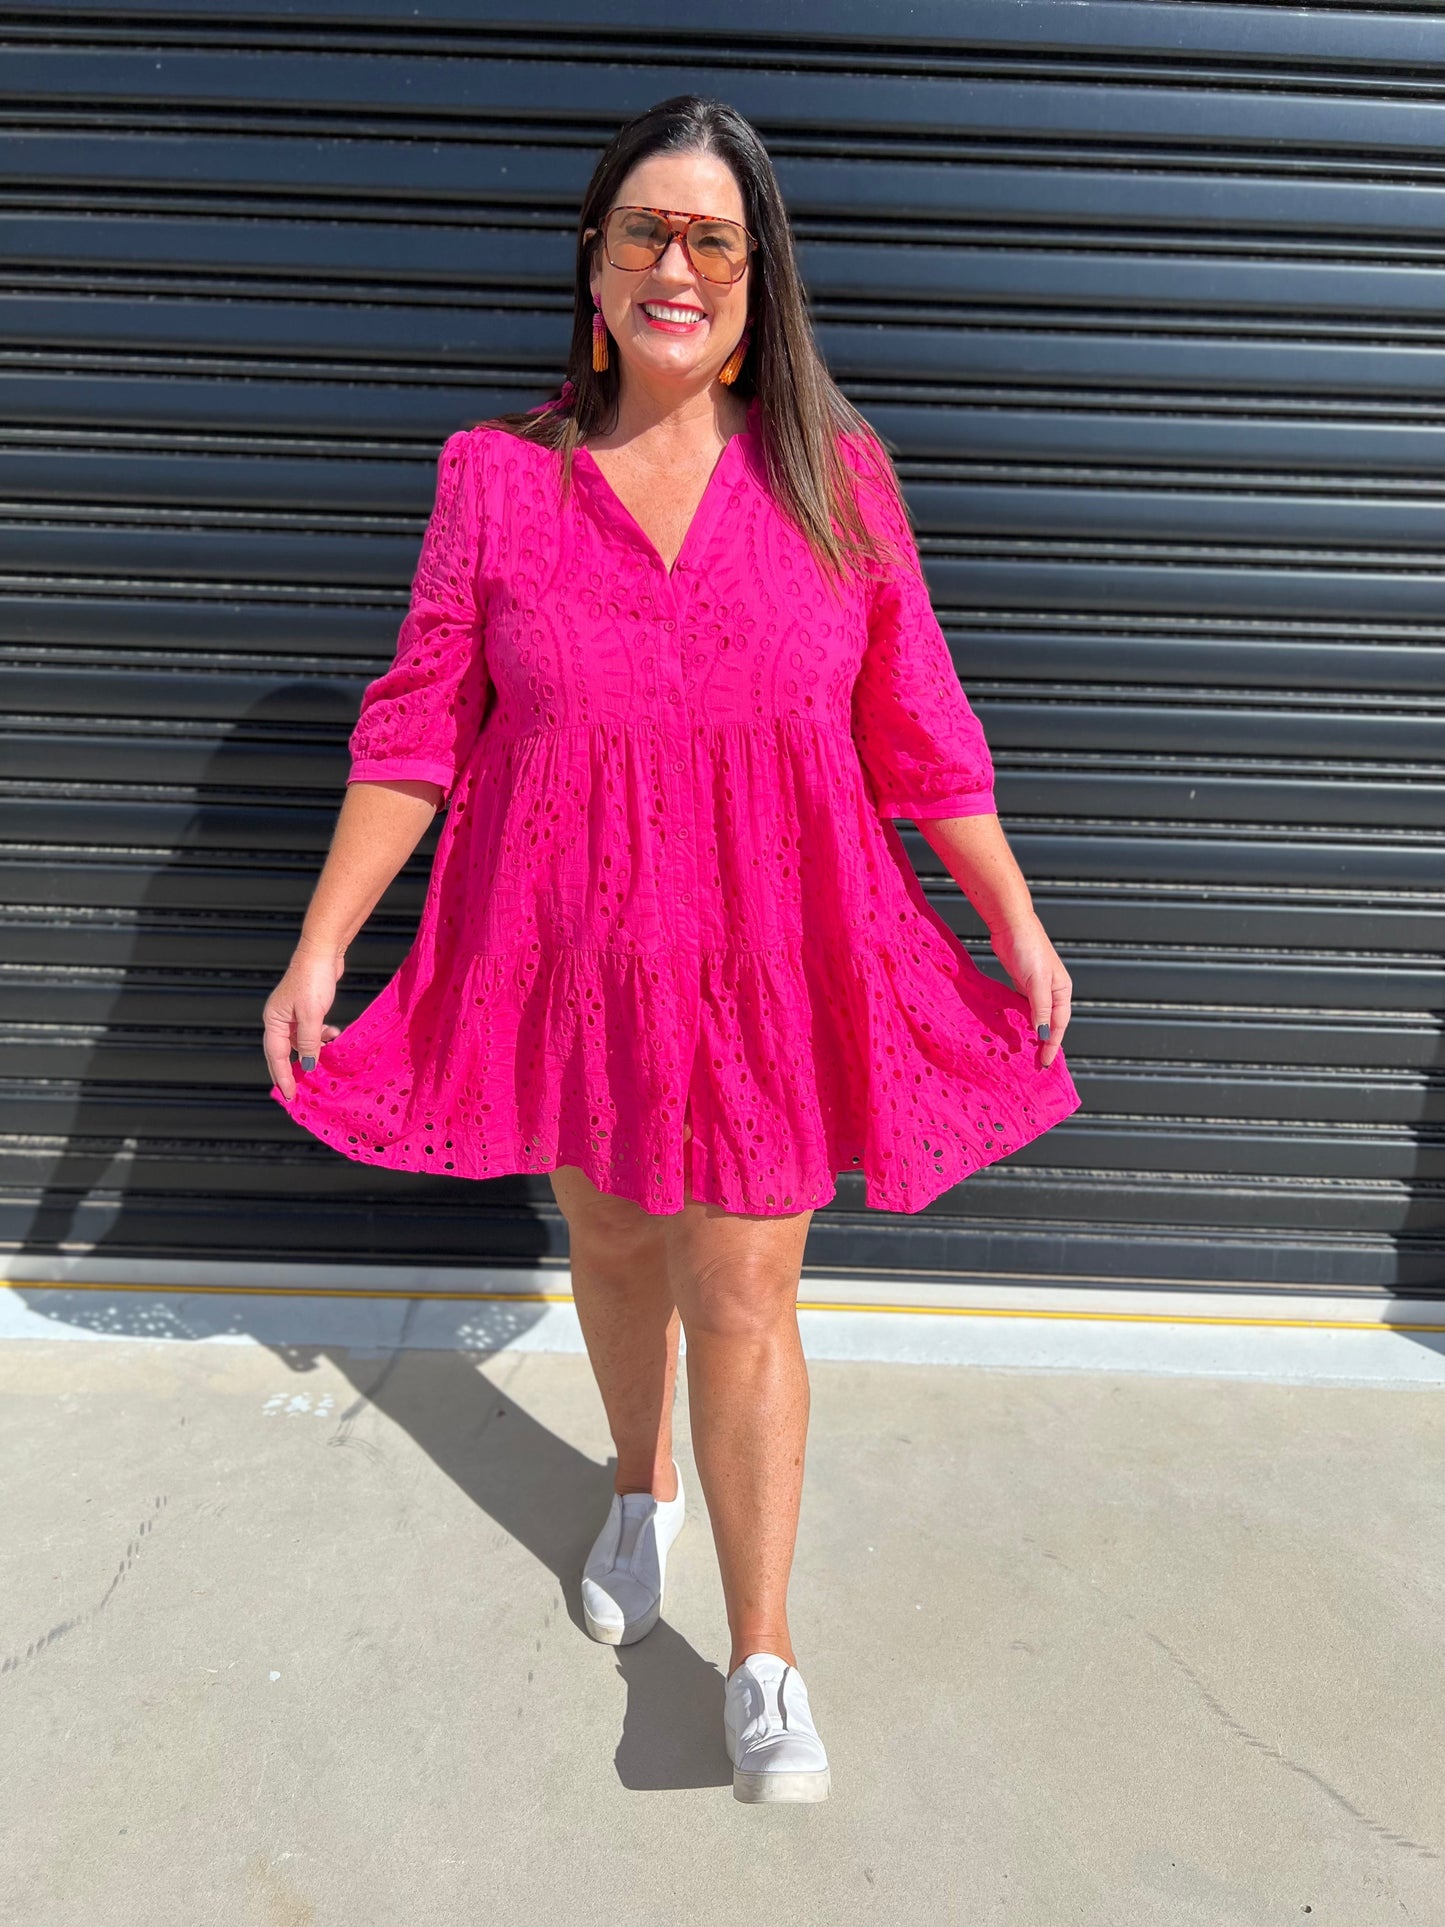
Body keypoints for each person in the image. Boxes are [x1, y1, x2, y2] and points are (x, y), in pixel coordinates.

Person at [262, 94, 1081, 1805]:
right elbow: (415, 730)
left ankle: (762, 1655)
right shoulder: (497, 479)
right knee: (618, 1243)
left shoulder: (834, 478)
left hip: (774, 953)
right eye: (646, 229)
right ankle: (639, 1488)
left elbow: (917, 723)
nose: (677, 265)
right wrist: (325, 942)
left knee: (746, 1288)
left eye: (714, 237)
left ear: (758, 275)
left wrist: (1008, 910)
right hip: (572, 953)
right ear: (593, 259)